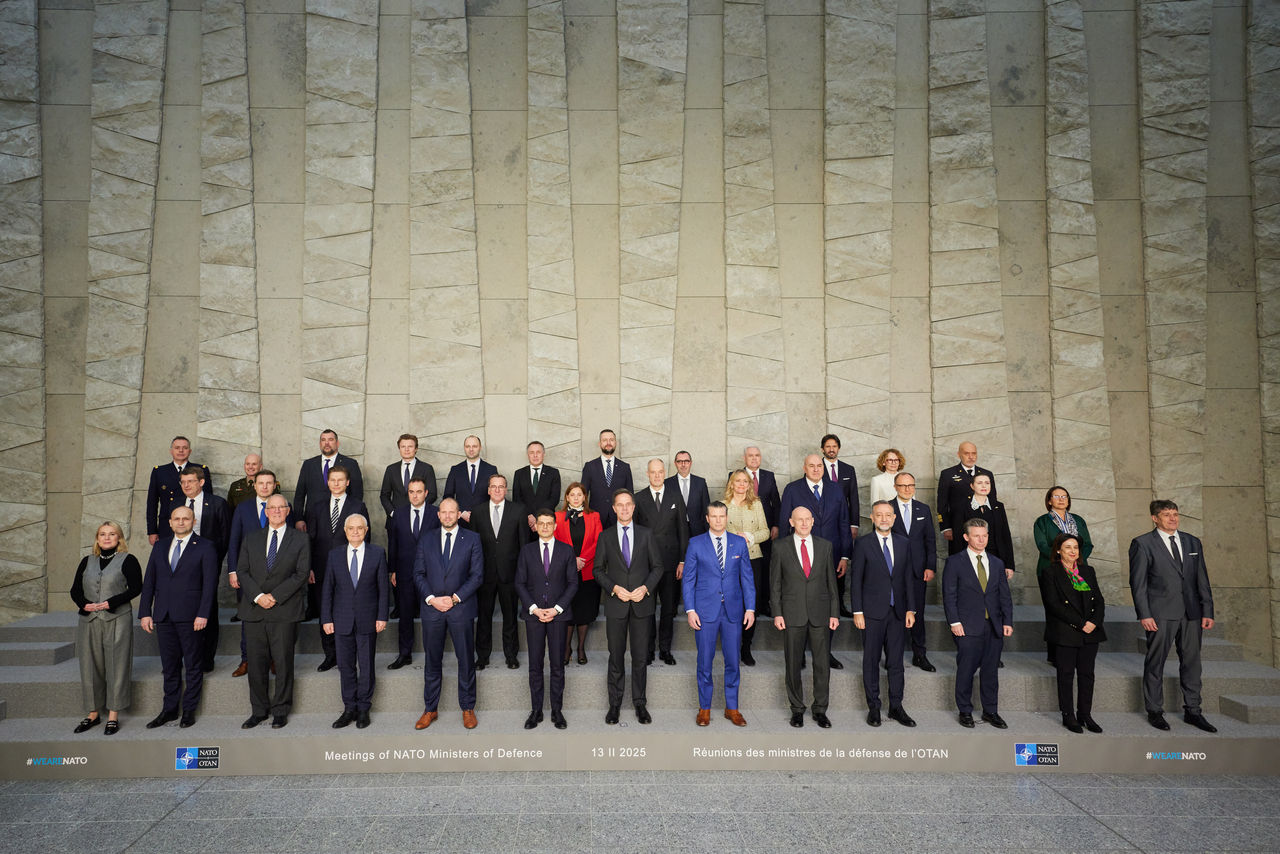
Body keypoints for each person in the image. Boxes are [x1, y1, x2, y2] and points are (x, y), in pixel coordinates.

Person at [1129, 499, 1216, 733]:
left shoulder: (1192, 541)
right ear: (1154, 518)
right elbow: (1138, 584)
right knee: (1155, 662)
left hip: (1192, 613)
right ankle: (1155, 711)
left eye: (1175, 514)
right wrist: (1144, 614)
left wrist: (1207, 609)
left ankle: (1193, 711)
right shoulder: (1142, 543)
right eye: (1166, 514)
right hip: (1159, 614)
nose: (1172, 518)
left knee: (1192, 662)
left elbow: (1202, 579)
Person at [138, 505, 219, 728]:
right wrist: (145, 612)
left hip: (192, 616)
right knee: (169, 666)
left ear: (193, 522)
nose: (181, 522)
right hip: (163, 615)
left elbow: (210, 585)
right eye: (177, 519)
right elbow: (150, 581)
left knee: (193, 665)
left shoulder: (205, 547)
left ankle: (189, 711)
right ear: (170, 522)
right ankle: (169, 709)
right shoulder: (160, 546)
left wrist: (203, 614)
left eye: (186, 518)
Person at [237, 494, 311, 729]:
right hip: (254, 609)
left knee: (283, 662)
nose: (277, 511)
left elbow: (301, 574)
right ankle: (258, 711)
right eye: (272, 508)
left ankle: (280, 710)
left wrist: (275, 597)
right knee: (256, 664)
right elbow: (243, 571)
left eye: (282, 507)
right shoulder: (251, 538)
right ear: (266, 512)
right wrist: (259, 597)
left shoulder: (300, 539)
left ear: (288, 511)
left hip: (285, 609)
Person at [413, 498, 483, 730]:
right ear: (438, 514)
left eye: (452, 512)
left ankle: (467, 708)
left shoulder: (472, 539)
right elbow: (419, 574)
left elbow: (477, 576)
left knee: (465, 660)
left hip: (460, 609)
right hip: (432, 610)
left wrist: (453, 599)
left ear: (458, 514)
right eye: (444, 512)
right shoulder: (427, 539)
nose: (448, 516)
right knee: (432, 661)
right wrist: (433, 599)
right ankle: (430, 709)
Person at [682, 501, 755, 727]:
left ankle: (731, 708)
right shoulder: (695, 544)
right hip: (704, 612)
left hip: (733, 611)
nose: (718, 520)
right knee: (705, 661)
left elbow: (747, 578)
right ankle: (704, 708)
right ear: (707, 518)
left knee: (733, 661)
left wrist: (750, 608)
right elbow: (689, 579)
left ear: (726, 517)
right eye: (713, 516)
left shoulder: (739, 543)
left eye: (721, 516)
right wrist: (690, 609)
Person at [594, 489, 663, 725]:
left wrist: (645, 588)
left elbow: (658, 567)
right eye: (619, 505)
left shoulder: (646, 534)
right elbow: (597, 570)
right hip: (617, 605)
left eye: (628, 505)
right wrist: (614, 588)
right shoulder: (605, 536)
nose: (624, 509)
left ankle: (640, 703)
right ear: (613, 508)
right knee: (616, 656)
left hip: (642, 605)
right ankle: (614, 704)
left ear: (634, 508)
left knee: (640, 657)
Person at [779, 453, 852, 669]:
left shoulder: (836, 489)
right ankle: (798, 654)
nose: (816, 469)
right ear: (804, 467)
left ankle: (825, 652)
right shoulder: (792, 489)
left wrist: (845, 556)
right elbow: (785, 523)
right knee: (799, 605)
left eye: (819, 465)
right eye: (811, 466)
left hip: (831, 557)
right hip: (799, 557)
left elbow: (844, 523)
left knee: (829, 604)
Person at [770, 505, 840, 728]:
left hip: (820, 613)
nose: (803, 523)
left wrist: (834, 612)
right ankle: (797, 709)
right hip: (792, 614)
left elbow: (832, 582)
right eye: (798, 519)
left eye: (807, 519)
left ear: (812, 521)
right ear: (791, 522)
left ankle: (820, 709)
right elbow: (775, 584)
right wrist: (777, 613)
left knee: (822, 664)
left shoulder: (825, 546)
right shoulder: (780, 547)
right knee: (792, 663)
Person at [70, 522, 142, 735]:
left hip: (117, 619)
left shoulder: (128, 560)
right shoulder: (86, 561)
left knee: (117, 665)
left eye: (112, 534)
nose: (107, 538)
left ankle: (113, 715)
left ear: (119, 538)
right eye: (103, 534)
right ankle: (93, 714)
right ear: (97, 538)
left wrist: (112, 602)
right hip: (89, 620)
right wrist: (83, 603)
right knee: (89, 667)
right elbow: (74, 590)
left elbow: (137, 587)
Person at [850, 501, 916, 727]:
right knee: (871, 660)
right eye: (879, 515)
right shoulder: (862, 544)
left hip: (897, 612)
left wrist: (911, 609)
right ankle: (874, 707)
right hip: (870, 613)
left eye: (888, 515)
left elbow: (908, 578)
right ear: (872, 518)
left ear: (894, 518)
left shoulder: (904, 543)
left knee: (896, 662)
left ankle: (896, 707)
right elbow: (856, 580)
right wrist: (857, 611)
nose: (884, 519)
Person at [942, 518, 1013, 729]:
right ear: (966, 537)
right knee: (966, 669)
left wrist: (1007, 621)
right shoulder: (955, 562)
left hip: (993, 625)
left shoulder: (997, 562)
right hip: (966, 625)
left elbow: (1004, 595)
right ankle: (965, 711)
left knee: (990, 671)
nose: (981, 540)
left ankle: (991, 711)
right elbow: (949, 595)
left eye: (984, 536)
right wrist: (954, 622)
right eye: (976, 536)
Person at [321, 514, 389, 729]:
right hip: (341, 620)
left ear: (366, 530)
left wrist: (382, 616)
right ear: (345, 530)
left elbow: (383, 590)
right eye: (351, 528)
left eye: (360, 528)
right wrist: (326, 618)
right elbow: (328, 590)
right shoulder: (334, 555)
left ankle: (363, 708)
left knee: (367, 665)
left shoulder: (377, 554)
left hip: (368, 618)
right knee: (345, 665)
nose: (355, 532)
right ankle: (349, 707)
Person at [514, 509, 578, 729]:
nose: (544, 527)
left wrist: (557, 609)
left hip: (558, 617)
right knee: (535, 665)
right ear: (536, 526)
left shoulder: (567, 550)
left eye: (548, 523)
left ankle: (557, 711)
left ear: (555, 525)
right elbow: (520, 583)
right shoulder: (527, 551)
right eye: (540, 523)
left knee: (558, 665)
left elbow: (573, 583)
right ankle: (537, 710)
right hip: (534, 616)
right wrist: (534, 608)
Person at [303, 465, 370, 672]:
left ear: (347, 482)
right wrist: (310, 567)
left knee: (348, 611)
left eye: (341, 480)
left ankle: (349, 655)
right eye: (333, 480)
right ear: (328, 482)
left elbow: (367, 538)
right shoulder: (316, 506)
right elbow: (309, 540)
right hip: (322, 568)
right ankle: (330, 655)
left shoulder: (358, 505)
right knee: (326, 612)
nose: (337, 483)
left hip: (351, 569)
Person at [1040, 533, 1106, 733]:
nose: (1073, 551)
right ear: (1058, 550)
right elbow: (1053, 605)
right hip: (1065, 631)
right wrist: (1081, 623)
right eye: (1068, 547)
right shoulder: (1050, 572)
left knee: (1087, 675)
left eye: (1075, 547)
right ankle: (1068, 715)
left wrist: (1093, 623)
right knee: (1066, 675)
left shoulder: (1088, 570)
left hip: (1090, 632)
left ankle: (1085, 715)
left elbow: (1099, 600)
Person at [227, 468, 286, 675]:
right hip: (248, 573)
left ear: (275, 485)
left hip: (276, 573)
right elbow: (233, 541)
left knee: (275, 618)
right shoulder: (242, 509)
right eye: (261, 483)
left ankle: (273, 659)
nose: (265, 487)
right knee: (249, 618)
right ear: (255, 485)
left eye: (269, 483)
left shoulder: (283, 507)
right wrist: (232, 570)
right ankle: (247, 660)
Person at [633, 458, 689, 666]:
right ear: (647, 474)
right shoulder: (638, 498)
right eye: (652, 472)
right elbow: (635, 534)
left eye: (660, 472)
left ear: (664, 473)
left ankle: (665, 649)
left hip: (670, 563)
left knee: (668, 609)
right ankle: (647, 650)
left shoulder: (676, 497)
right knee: (647, 609)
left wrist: (682, 561)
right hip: (646, 565)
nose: (656, 476)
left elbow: (683, 531)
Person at [472, 474, 530, 669]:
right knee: (484, 617)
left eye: (501, 487)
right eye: (493, 487)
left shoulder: (518, 510)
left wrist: (523, 574)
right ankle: (482, 656)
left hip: (510, 574)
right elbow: (474, 546)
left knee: (510, 616)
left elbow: (524, 544)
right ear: (488, 489)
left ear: (506, 489)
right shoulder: (478, 512)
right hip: (484, 574)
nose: (497, 490)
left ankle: (511, 655)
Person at [1034, 485, 1094, 666]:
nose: (1061, 499)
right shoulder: (1042, 521)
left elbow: (1087, 544)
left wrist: (1075, 561)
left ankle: (1077, 648)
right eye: (1057, 496)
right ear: (1049, 500)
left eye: (1065, 496)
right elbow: (1042, 545)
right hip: (1051, 570)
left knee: (1078, 609)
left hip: (1077, 569)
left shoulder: (1078, 520)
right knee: (1055, 611)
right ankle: (1055, 655)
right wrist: (1061, 562)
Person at [177, 467, 230, 674]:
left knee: (207, 607)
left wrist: (213, 561)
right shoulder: (175, 504)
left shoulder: (217, 503)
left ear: (201, 482)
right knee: (182, 607)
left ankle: (207, 658)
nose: (186, 485)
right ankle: (184, 656)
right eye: (183, 482)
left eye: (190, 481)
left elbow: (225, 536)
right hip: (180, 565)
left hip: (207, 563)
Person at [386, 476, 439, 669]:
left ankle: (433, 655)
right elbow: (393, 543)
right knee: (405, 615)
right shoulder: (398, 514)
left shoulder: (436, 513)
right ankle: (405, 654)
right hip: (404, 572)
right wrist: (392, 569)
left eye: (419, 492)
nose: (415, 495)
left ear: (426, 494)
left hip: (431, 574)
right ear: (407, 493)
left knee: (431, 615)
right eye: (411, 492)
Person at [889, 471, 938, 671]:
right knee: (893, 614)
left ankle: (920, 654)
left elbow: (930, 540)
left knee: (917, 612)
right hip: (894, 571)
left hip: (919, 571)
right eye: (903, 486)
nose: (907, 489)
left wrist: (930, 566)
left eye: (911, 485)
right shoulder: (887, 508)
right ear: (895, 487)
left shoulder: (923, 509)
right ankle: (893, 655)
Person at [723, 469, 769, 665]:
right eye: (738, 481)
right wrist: (736, 538)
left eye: (745, 481)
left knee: (751, 603)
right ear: (731, 484)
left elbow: (765, 531)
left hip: (753, 558)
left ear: (749, 485)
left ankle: (746, 646)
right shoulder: (723, 505)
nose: (741, 484)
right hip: (730, 560)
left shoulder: (756, 504)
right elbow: (718, 530)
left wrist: (749, 538)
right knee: (733, 602)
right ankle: (732, 644)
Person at [555, 482, 603, 665]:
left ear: (585, 497)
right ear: (567, 497)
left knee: (584, 611)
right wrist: (571, 560)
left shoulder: (594, 516)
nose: (575, 498)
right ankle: (566, 648)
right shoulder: (558, 517)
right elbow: (556, 541)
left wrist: (582, 560)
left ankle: (581, 648)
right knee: (567, 611)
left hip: (587, 571)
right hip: (565, 571)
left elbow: (599, 541)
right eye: (572, 494)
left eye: (579, 494)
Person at [145, 435, 212, 545]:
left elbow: (208, 500)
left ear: (189, 451)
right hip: (167, 525)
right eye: (177, 447)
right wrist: (152, 531)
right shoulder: (159, 471)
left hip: (195, 524)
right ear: (171, 451)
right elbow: (152, 503)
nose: (181, 450)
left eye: (185, 448)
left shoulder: (201, 470)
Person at [293, 429, 364, 531]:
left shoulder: (350, 464)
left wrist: (352, 518)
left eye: (330, 439)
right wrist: (298, 519)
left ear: (337, 443)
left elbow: (357, 494)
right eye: (323, 440)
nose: (326, 443)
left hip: (341, 520)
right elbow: (299, 495)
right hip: (312, 521)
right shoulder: (308, 464)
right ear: (320, 443)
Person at [741, 445, 781, 616]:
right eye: (751, 455)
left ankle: (763, 604)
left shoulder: (768, 476)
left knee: (765, 568)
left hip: (765, 531)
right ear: (745, 458)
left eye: (757, 455)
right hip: (744, 533)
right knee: (747, 570)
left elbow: (776, 503)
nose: (754, 458)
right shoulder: (736, 476)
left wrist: (776, 525)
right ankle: (749, 606)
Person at [937, 440, 997, 555]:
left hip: (983, 525)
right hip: (958, 525)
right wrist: (945, 527)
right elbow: (942, 503)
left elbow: (992, 500)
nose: (971, 457)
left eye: (974, 453)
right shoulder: (948, 474)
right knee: (960, 558)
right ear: (958, 454)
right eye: (966, 453)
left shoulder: (986, 474)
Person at [949, 474, 1015, 576]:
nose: (984, 486)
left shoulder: (998, 506)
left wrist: (1009, 565)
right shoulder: (961, 506)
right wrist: (957, 565)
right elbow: (957, 537)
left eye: (987, 483)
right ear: (972, 486)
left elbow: (1005, 535)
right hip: (970, 558)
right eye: (979, 483)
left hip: (996, 557)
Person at [379, 433, 438, 529]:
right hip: (395, 521)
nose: (406, 449)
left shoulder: (427, 468)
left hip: (420, 519)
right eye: (403, 446)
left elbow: (432, 494)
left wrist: (417, 509)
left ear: (416, 449)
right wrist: (393, 513)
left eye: (410, 446)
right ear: (399, 449)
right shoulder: (391, 469)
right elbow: (384, 495)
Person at [580, 429, 633, 526]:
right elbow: (583, 494)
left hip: (619, 517)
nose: (608, 443)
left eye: (611, 440)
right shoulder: (590, 466)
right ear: (600, 444)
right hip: (595, 518)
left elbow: (630, 495)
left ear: (615, 443)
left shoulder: (625, 467)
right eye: (605, 440)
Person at [442, 434, 497, 527]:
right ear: (464, 448)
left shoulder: (491, 469)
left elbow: (495, 496)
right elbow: (448, 496)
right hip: (461, 521)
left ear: (480, 447)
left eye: (474, 446)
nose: (471, 449)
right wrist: (461, 512)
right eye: (468, 446)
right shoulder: (455, 470)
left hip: (485, 521)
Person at [513, 441, 562, 531]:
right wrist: (529, 517)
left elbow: (554, 499)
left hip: (546, 522)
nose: (535, 455)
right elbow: (517, 499)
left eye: (538, 452)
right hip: (525, 522)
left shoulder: (553, 473)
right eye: (532, 452)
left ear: (543, 454)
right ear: (528, 455)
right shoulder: (519, 473)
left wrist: (537, 517)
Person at [667, 450, 711, 537]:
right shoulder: (667, 484)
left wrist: (708, 531)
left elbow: (706, 508)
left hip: (698, 531)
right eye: (679, 461)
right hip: (674, 531)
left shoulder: (700, 482)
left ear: (690, 463)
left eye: (686, 461)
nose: (683, 464)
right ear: (675, 463)